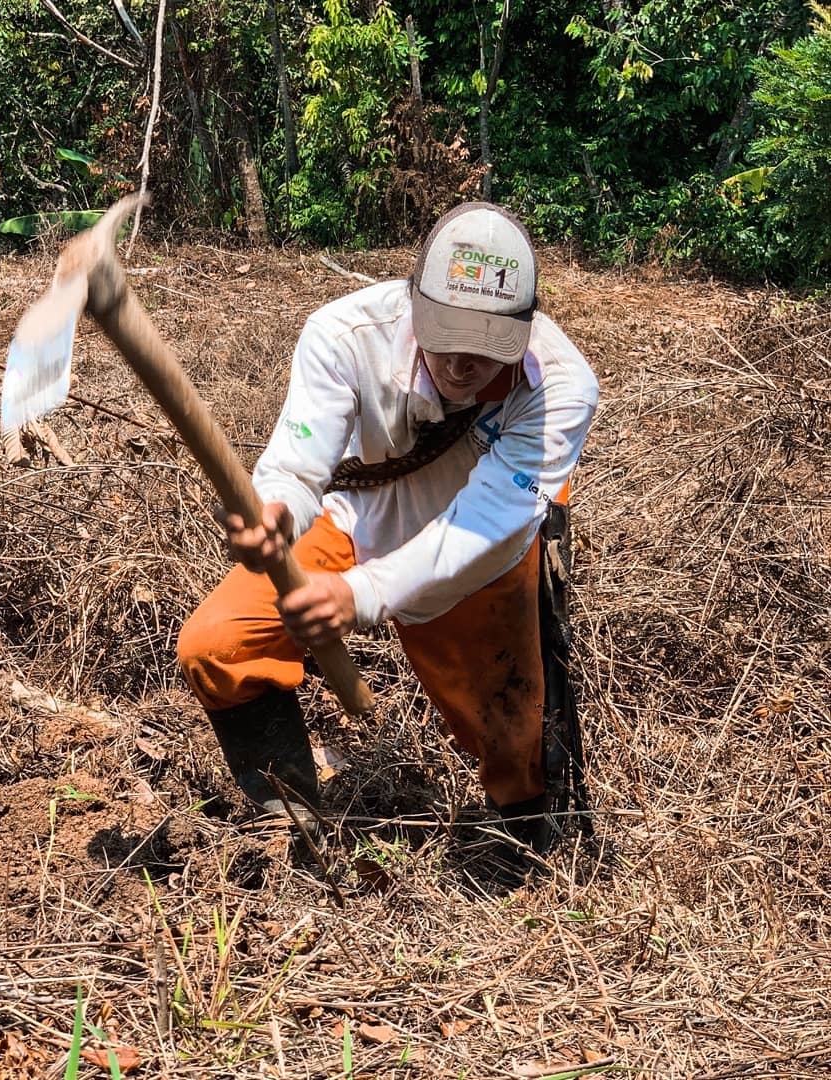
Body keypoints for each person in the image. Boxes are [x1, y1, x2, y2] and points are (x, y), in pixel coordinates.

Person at [177, 201, 599, 867]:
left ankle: (525, 856)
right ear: (413, 301)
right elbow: (298, 460)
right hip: (359, 515)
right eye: (446, 334)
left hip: (479, 553)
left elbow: (484, 523)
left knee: (515, 742)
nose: (462, 364)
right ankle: (291, 821)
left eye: (486, 346)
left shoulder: (561, 386)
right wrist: (277, 511)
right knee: (219, 645)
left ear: (525, 327)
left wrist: (361, 594)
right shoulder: (345, 334)